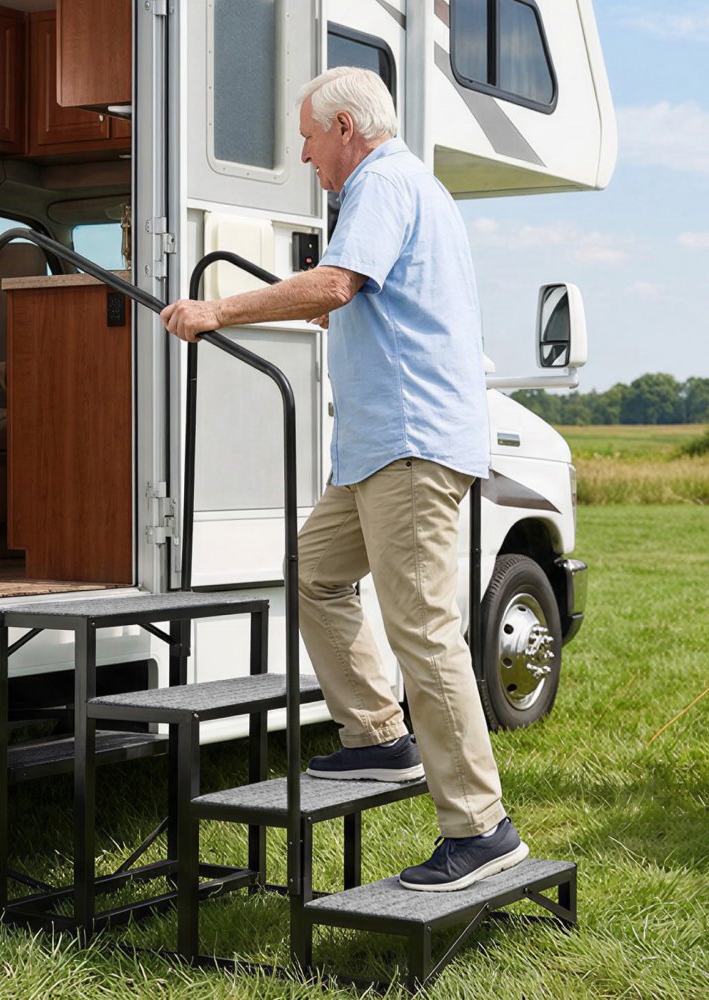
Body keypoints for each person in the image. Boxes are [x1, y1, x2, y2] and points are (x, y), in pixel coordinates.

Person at [161, 66, 528, 892]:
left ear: (346, 129)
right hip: (374, 452)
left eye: (308, 136)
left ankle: (482, 828)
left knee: (426, 634)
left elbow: (336, 281)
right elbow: (359, 294)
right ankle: (377, 736)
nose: (303, 153)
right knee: (315, 573)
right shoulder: (399, 188)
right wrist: (341, 303)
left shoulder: (383, 182)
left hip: (408, 448)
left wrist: (216, 309)